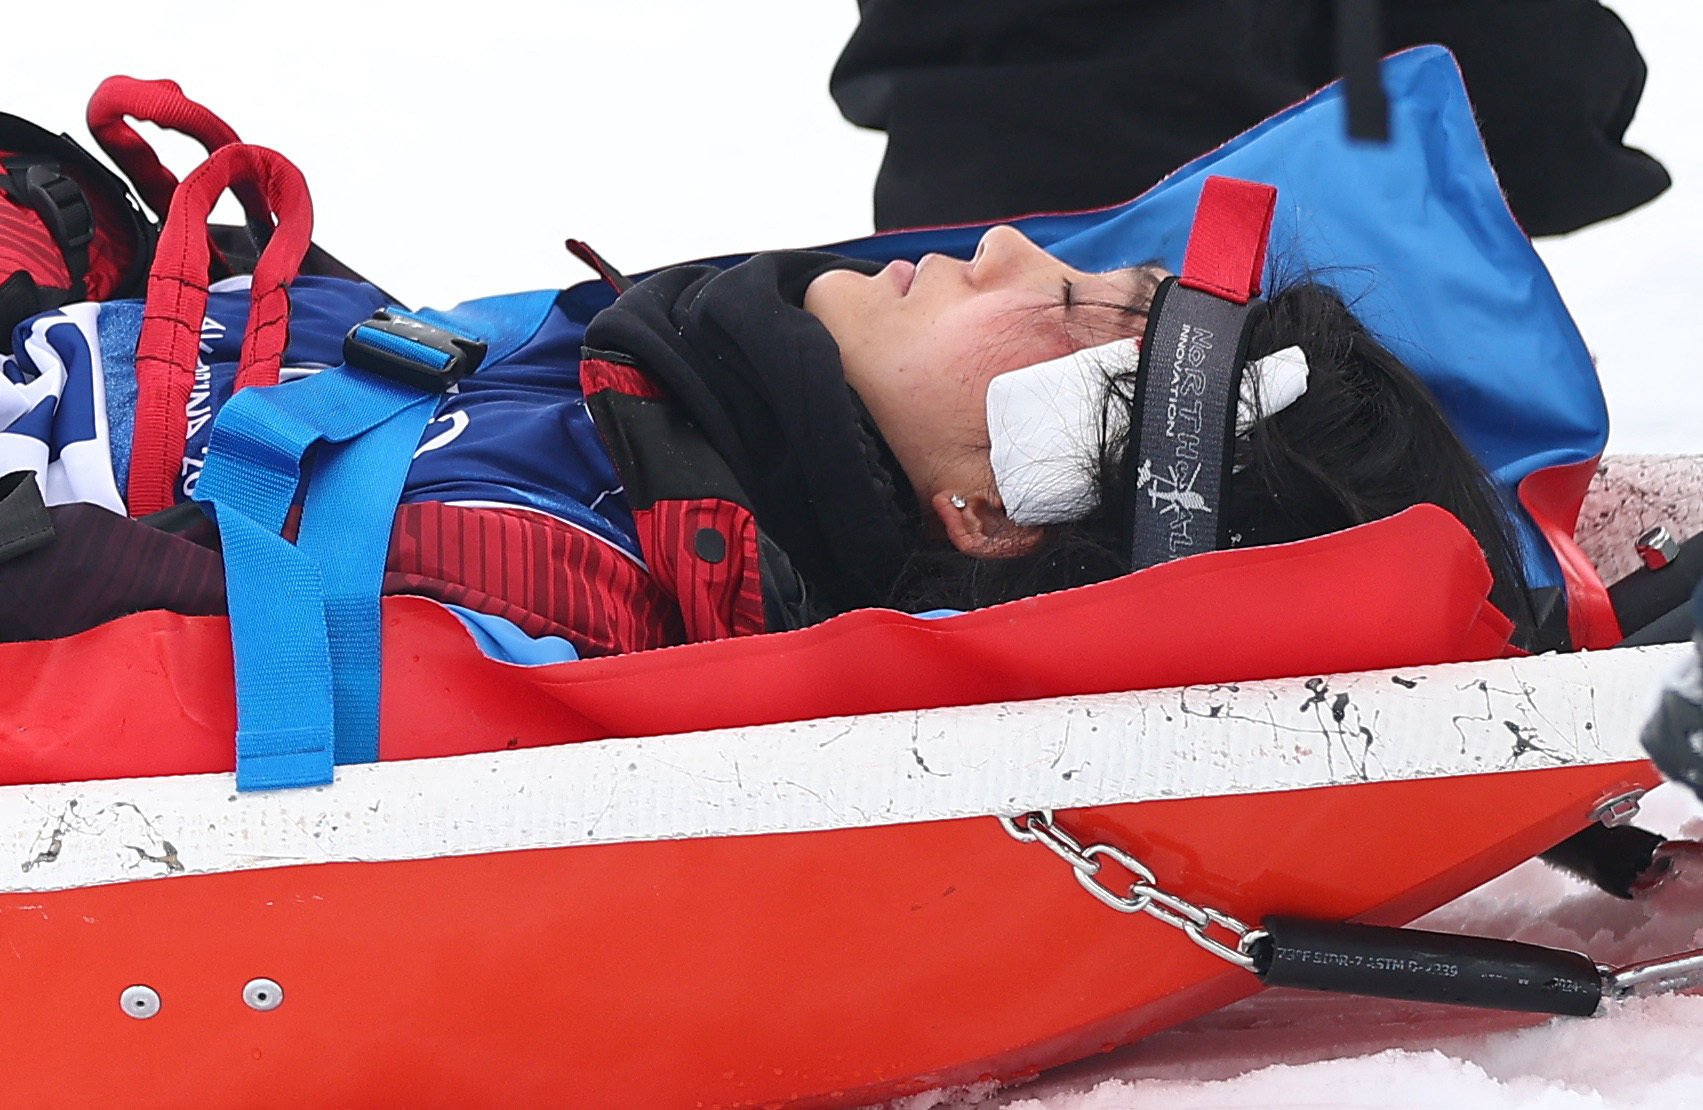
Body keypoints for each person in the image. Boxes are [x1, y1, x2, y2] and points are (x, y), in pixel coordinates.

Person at [0, 224, 1531, 657]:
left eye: (1073, 313)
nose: (1006, 243)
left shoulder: (554, 580)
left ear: (998, 506)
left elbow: (117, 597)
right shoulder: (639, 388)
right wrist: (88, 246)